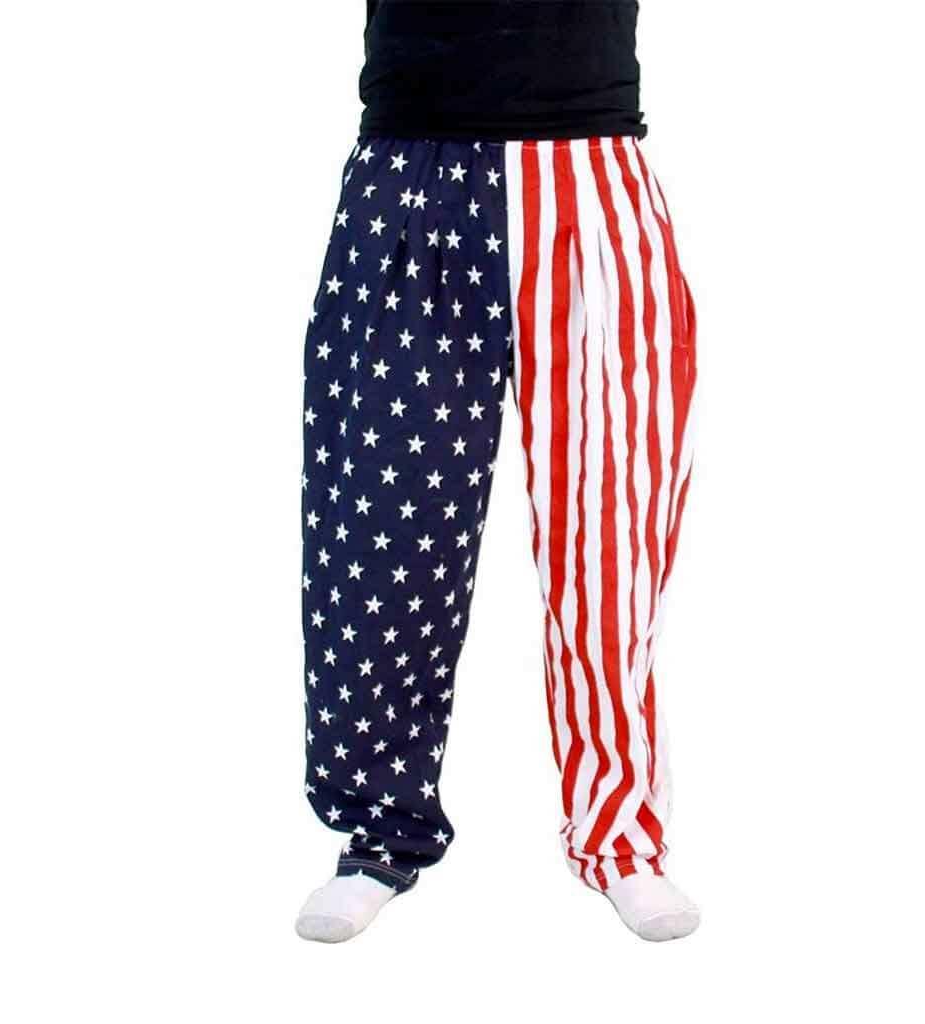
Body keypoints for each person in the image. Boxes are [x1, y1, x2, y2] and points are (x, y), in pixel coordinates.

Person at [296, 0, 698, 943]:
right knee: (378, 529)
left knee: (609, 537)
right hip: (408, 172)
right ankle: (376, 829)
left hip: (591, 174)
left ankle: (620, 836)